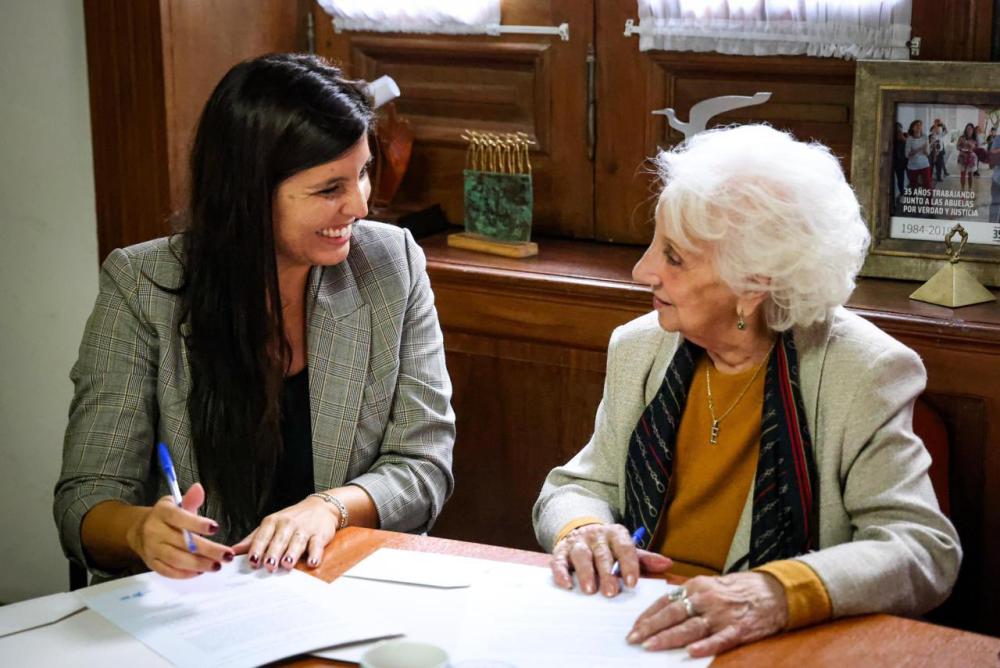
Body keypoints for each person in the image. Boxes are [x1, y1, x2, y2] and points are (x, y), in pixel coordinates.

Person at [533, 125, 960, 657]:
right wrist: (582, 529)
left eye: (674, 256)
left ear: (752, 286)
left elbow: (922, 548)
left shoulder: (863, 370)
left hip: (773, 642)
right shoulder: (640, 348)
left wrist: (776, 591)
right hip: (632, 628)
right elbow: (576, 485)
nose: (643, 271)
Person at [54, 54, 456, 581]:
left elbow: (424, 464)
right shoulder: (142, 285)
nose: (359, 206)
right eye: (329, 189)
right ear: (248, 193)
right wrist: (139, 530)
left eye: (361, 173)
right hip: (197, 606)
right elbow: (85, 498)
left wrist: (329, 507)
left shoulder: (390, 264)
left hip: (341, 591)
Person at [905, 120, 933, 191]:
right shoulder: (909, 139)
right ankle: (914, 200)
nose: (919, 127)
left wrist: (924, 150)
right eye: (917, 125)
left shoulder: (925, 137)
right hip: (912, 166)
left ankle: (929, 201)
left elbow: (928, 153)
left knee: (928, 185)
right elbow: (907, 155)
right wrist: (919, 149)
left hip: (924, 164)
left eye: (920, 125)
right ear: (912, 128)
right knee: (913, 186)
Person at [957, 123, 979, 189]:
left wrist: (968, 144)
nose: (969, 130)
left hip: (971, 159)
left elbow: (976, 148)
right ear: (966, 129)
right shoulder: (961, 137)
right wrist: (961, 148)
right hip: (962, 158)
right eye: (968, 128)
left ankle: (969, 189)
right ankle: (962, 189)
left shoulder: (975, 138)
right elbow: (957, 147)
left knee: (970, 175)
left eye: (971, 129)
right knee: (962, 175)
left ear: (973, 130)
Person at [892, 122, 907, 197]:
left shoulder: (904, 135)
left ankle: (902, 193)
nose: (898, 131)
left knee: (901, 180)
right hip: (892, 162)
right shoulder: (891, 137)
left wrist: (903, 139)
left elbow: (910, 145)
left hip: (901, 163)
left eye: (899, 129)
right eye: (896, 129)